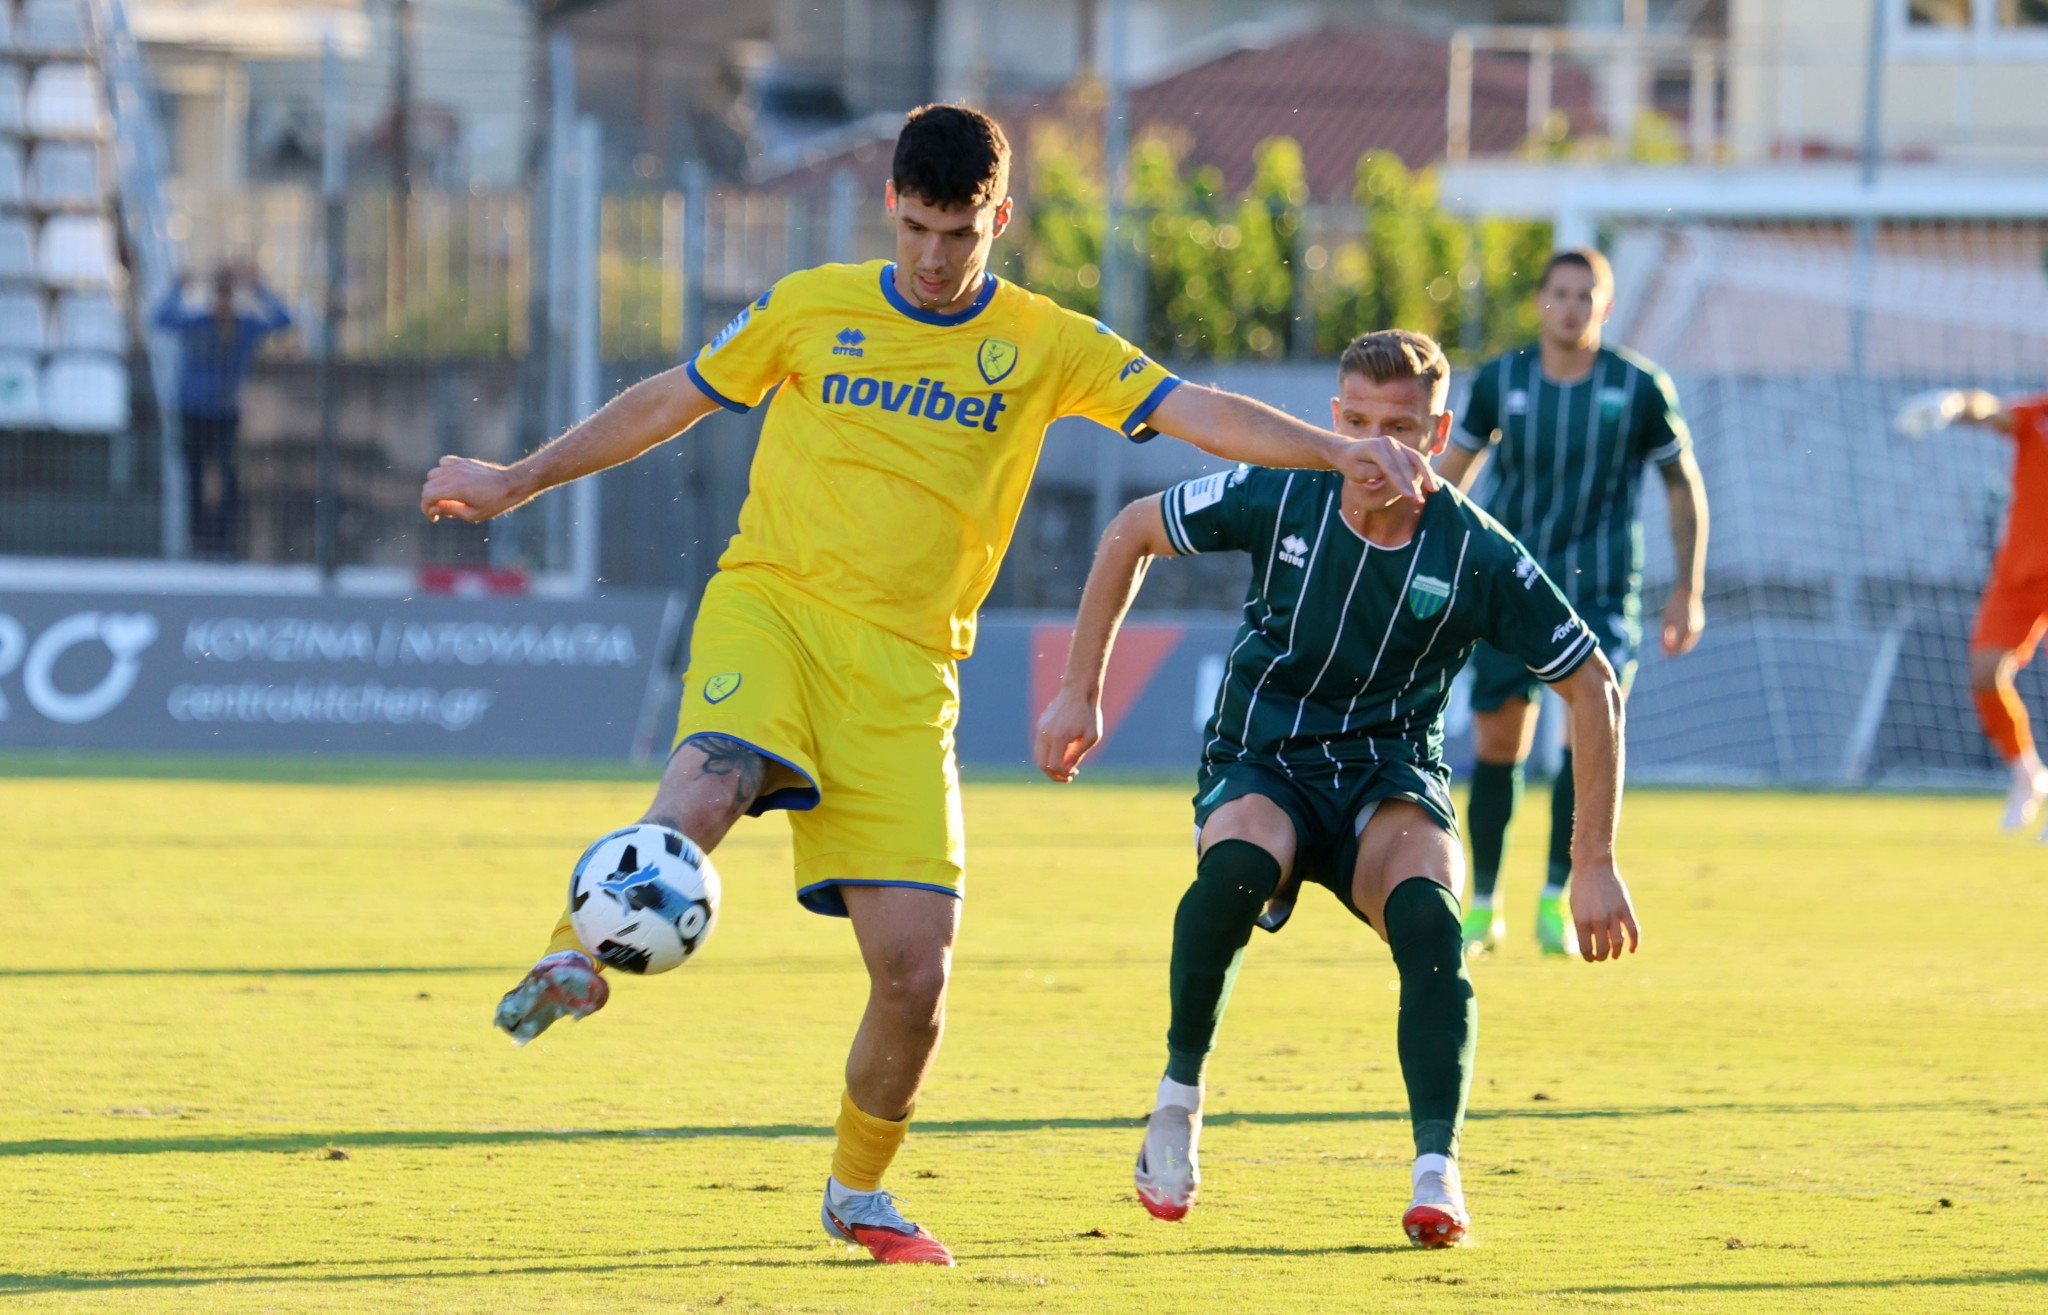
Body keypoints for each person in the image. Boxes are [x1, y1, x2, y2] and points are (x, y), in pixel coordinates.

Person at [417, 104, 1436, 1267]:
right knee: (712, 779)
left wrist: (1332, 445)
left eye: (959, 234)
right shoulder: (811, 308)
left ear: (999, 218)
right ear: (889, 210)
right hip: (776, 608)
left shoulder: (1045, 341)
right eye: (915, 230)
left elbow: (1190, 405)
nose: (935, 259)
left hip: (906, 672)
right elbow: (672, 398)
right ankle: (573, 951)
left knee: (917, 977)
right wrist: (516, 478)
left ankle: (856, 1193)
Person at [1034, 329, 1639, 1248]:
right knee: (1236, 865)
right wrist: (1079, 689)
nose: (1373, 447)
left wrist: (1590, 859)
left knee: (1434, 920)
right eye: (1355, 421)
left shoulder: (1473, 552)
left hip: (1386, 775)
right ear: (1332, 419)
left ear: (1438, 436)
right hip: (1263, 755)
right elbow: (1132, 531)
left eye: (1397, 427)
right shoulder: (1281, 488)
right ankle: (1177, 1102)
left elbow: (1590, 680)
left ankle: (1438, 1169)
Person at [1435, 248, 1707, 956]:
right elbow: (1451, 477)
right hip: (1507, 586)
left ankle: (1558, 894)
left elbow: (1683, 485)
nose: (1572, 306)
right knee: (1499, 740)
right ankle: (1483, 902)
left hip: (1600, 592)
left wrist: (1688, 587)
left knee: (1584, 739)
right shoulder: (1502, 379)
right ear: (1540, 302)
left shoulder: (1639, 387)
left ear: (1606, 307)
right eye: (1560, 292)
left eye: (1587, 295)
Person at [1895, 387, 2048, 832]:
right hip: (2021, 572)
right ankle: (2028, 774)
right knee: (1985, 675)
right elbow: (1989, 410)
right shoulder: (2038, 415)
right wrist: (1951, 405)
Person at [152, 264, 293, 559]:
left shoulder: (244, 327)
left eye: (228, 295)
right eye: (219, 295)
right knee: (194, 477)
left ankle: (223, 541)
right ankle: (198, 541)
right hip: (193, 410)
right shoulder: (198, 324)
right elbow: (159, 319)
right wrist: (179, 286)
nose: (223, 302)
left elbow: (284, 321)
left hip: (225, 412)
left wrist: (259, 288)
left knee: (229, 478)